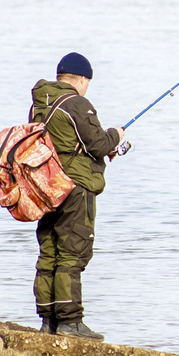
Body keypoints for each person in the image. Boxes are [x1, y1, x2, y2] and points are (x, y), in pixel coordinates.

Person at [28, 53, 124, 340]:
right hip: (75, 188)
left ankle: (49, 322)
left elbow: (64, 142)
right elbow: (97, 144)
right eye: (87, 83)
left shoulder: (39, 106)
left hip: (46, 187)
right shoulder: (77, 103)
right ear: (82, 79)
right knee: (72, 253)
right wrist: (116, 135)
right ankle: (71, 324)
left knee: (49, 253)